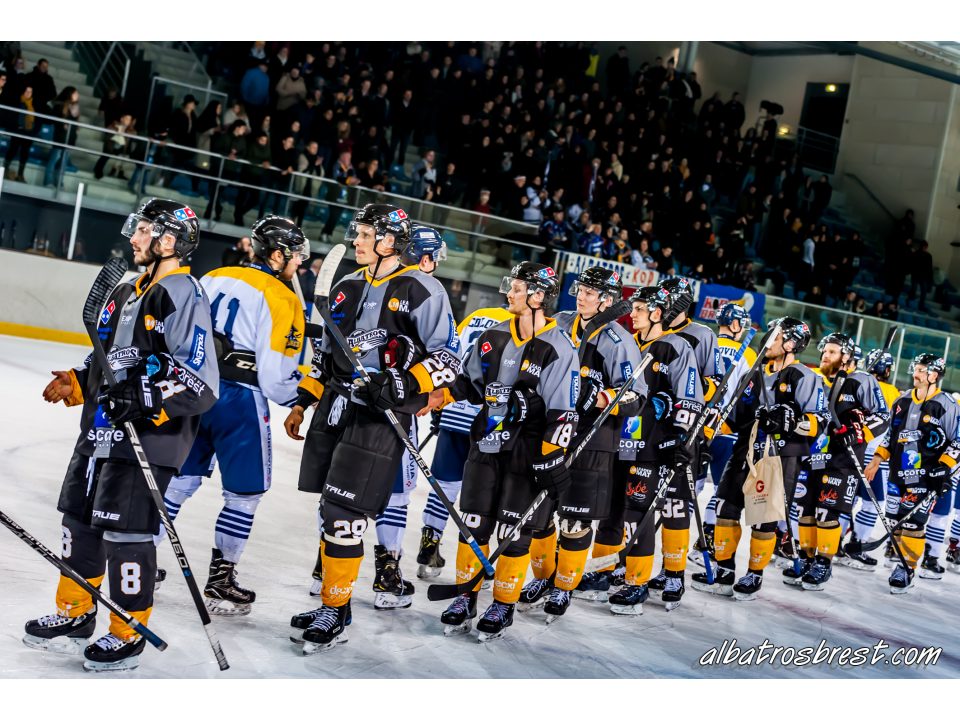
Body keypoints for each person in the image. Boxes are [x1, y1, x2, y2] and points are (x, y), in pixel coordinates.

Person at [24, 198, 218, 671]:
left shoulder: (182, 293)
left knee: (126, 535)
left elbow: (201, 378)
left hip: (148, 441)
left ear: (169, 240)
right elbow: (108, 360)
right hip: (101, 431)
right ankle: (75, 613)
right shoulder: (127, 288)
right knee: (79, 523)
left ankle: (127, 631)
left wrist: (147, 398)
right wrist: (77, 378)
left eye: (144, 230)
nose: (133, 238)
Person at [284, 204, 461, 652]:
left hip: (381, 414)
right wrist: (304, 401)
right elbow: (324, 356)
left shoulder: (425, 289)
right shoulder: (345, 285)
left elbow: (448, 360)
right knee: (329, 509)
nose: (357, 241)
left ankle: (333, 608)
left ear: (391, 241)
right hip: (336, 406)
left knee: (346, 515)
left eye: (365, 234)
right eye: (358, 234)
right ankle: (336, 601)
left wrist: (404, 383)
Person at [158, 217, 308, 615]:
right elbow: (275, 378)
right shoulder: (282, 296)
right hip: (239, 401)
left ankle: (142, 551)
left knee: (178, 480)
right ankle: (221, 580)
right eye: (294, 256)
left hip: (191, 390)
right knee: (245, 494)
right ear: (277, 255)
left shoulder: (213, 275)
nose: (299, 264)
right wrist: (305, 394)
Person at [437, 261, 579, 640]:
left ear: (537, 296)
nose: (509, 293)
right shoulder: (495, 336)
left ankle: (503, 602)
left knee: (513, 531)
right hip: (485, 442)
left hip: (526, 453)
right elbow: (468, 382)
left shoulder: (560, 349)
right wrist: (437, 395)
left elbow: (563, 411)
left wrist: (551, 457)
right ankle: (465, 596)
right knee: (474, 523)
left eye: (517, 288)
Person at [516, 267, 642, 621]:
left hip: (592, 439)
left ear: (606, 300)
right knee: (539, 515)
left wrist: (601, 397)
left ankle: (564, 587)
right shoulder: (560, 321)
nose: (580, 296)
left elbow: (636, 396)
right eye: (580, 289)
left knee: (575, 520)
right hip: (551, 429)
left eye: (588, 292)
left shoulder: (620, 342)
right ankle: (544, 578)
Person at [692, 317, 825, 600]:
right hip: (745, 448)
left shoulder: (804, 376)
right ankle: (725, 570)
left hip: (780, 456)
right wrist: (706, 434)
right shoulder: (753, 373)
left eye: (774, 338)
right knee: (726, 507)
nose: (767, 341)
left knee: (764, 519)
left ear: (790, 344)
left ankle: (754, 574)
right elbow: (734, 416)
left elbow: (818, 422)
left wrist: (789, 421)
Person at [606, 285, 702, 613]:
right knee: (614, 510)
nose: (631, 314)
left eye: (639, 309)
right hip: (619, 440)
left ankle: (637, 583)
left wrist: (680, 439)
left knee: (638, 512)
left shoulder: (677, 347)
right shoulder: (628, 344)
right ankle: (614, 569)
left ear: (658, 313)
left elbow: (689, 398)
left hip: (650, 447)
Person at [793, 333, 888, 590]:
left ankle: (823, 562)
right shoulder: (817, 378)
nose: (825, 355)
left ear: (846, 356)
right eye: (824, 351)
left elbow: (882, 416)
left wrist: (860, 431)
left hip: (843, 459)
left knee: (828, 511)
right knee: (806, 510)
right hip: (814, 454)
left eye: (832, 352)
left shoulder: (862, 380)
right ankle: (807, 557)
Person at [865, 354, 960, 592]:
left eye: (920, 370)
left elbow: (957, 440)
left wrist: (945, 467)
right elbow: (890, 436)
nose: (914, 374)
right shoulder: (902, 401)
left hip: (925, 477)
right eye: (915, 369)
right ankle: (900, 559)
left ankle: (906, 569)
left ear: (934, 375)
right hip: (898, 472)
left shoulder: (946, 404)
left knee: (914, 524)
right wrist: (876, 460)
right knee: (896, 522)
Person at [693, 302, 756, 565]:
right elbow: (749, 394)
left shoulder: (703, 343)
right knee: (721, 490)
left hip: (697, 425)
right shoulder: (748, 355)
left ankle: (675, 531)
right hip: (727, 429)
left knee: (691, 485)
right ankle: (704, 538)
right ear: (735, 324)